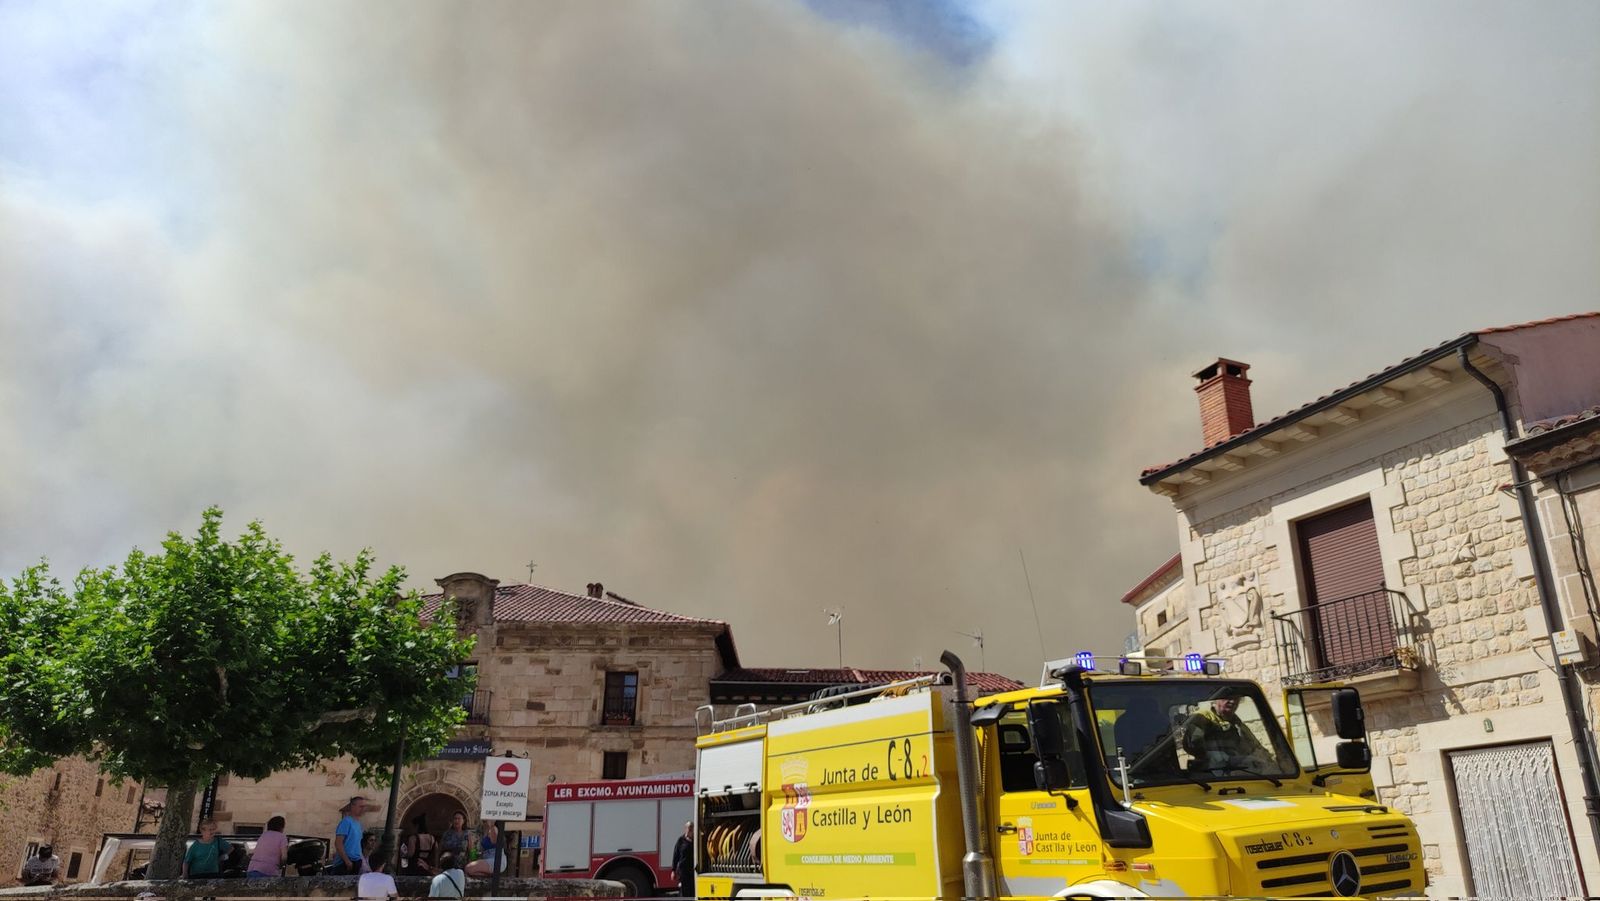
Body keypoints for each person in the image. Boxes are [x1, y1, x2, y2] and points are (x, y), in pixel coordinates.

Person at [1182, 691, 1269, 769]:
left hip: (1238, 771)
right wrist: (1215, 756)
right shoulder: (1202, 717)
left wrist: (1268, 759)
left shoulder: (1236, 721)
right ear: (1216, 699)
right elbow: (1191, 745)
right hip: (1212, 773)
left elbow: (1254, 745)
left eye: (1236, 698)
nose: (1232, 701)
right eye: (1228, 697)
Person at [328, 796, 369, 875]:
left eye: (364, 807)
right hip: (344, 863)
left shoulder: (358, 824)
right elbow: (338, 843)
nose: (363, 809)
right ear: (352, 806)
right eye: (361, 806)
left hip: (356, 861)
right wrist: (347, 861)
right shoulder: (346, 822)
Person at [671, 821, 694, 898]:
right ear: (685, 829)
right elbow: (675, 855)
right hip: (683, 871)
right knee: (684, 891)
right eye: (688, 828)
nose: (689, 830)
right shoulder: (681, 840)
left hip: (693, 870)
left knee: (693, 891)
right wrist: (673, 870)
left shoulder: (696, 840)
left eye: (691, 828)